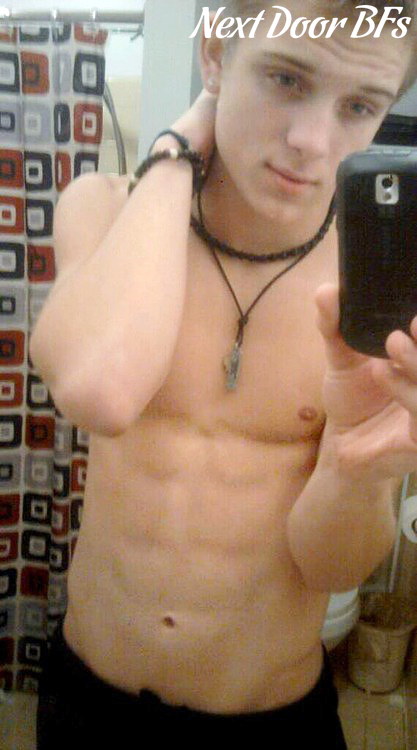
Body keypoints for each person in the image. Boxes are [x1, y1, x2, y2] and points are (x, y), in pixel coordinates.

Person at [31, 0, 417, 746]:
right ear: (214, 55)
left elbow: (329, 565)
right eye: (285, 78)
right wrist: (176, 149)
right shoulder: (103, 211)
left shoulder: (371, 288)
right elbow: (102, 391)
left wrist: (357, 467)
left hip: (271, 717)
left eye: (359, 106)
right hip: (89, 699)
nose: (312, 143)